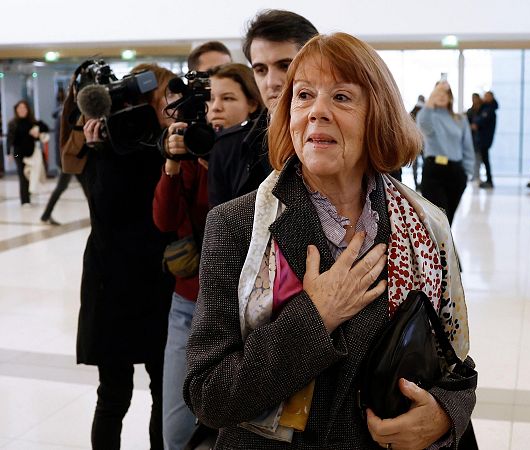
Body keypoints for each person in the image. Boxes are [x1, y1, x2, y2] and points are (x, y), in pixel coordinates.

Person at [184, 32, 476, 449]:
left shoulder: (424, 226)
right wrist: (315, 316)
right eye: (303, 96)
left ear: (377, 116)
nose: (317, 111)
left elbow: (454, 362)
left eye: (341, 97)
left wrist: (444, 416)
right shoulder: (237, 226)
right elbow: (207, 394)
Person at [155, 61, 263, 450]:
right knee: (177, 430)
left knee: (232, 426)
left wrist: (216, 163)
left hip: (243, 305)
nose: (214, 107)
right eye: (209, 98)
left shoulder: (250, 153)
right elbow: (165, 219)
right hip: (188, 298)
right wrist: (173, 162)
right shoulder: (193, 147)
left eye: (226, 98)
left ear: (252, 103)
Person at [72, 63, 177, 450]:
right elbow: (103, 208)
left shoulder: (172, 144)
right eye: (164, 95)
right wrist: (98, 149)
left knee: (162, 390)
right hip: (113, 282)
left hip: (156, 281)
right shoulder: (111, 144)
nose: (170, 102)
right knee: (114, 394)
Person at [207, 9, 318, 207]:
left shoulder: (344, 138)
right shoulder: (227, 149)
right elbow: (220, 233)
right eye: (260, 70)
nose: (271, 82)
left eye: (285, 66)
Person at [416, 81, 474, 224]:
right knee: (437, 219)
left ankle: (444, 247)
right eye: (438, 93)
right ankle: (437, 247)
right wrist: (434, 95)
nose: (441, 96)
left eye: (445, 93)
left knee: (448, 220)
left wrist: (467, 172)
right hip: (434, 171)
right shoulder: (429, 116)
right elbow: (423, 124)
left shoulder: (460, 119)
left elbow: (467, 146)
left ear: (450, 97)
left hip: (456, 172)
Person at [6, 100, 49, 206]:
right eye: (19, 108)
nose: (22, 110)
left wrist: (37, 131)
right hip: (17, 153)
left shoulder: (32, 122)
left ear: (27, 110)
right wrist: (8, 153)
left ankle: (30, 193)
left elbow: (45, 127)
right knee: (22, 174)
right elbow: (10, 139)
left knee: (31, 174)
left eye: (24, 108)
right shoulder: (13, 123)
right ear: (16, 110)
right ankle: (25, 200)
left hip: (31, 152)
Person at [41, 88, 74, 225]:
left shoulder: (63, 112)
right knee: (62, 186)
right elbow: (64, 140)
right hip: (70, 158)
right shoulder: (65, 114)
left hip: (71, 157)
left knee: (65, 187)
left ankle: (45, 215)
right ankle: (46, 215)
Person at [475, 91, 498, 188]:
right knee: (484, 160)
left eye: (487, 96)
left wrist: (476, 123)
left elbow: (481, 120)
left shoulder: (489, 110)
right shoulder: (485, 108)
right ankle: (488, 179)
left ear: (491, 98)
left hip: (485, 140)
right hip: (483, 139)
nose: (485, 98)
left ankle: (489, 180)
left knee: (485, 160)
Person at [466, 93, 483, 182]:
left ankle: (477, 175)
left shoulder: (482, 110)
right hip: (472, 138)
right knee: (474, 158)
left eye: (475, 98)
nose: (474, 100)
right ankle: (474, 175)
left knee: (478, 158)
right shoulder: (470, 111)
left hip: (479, 139)